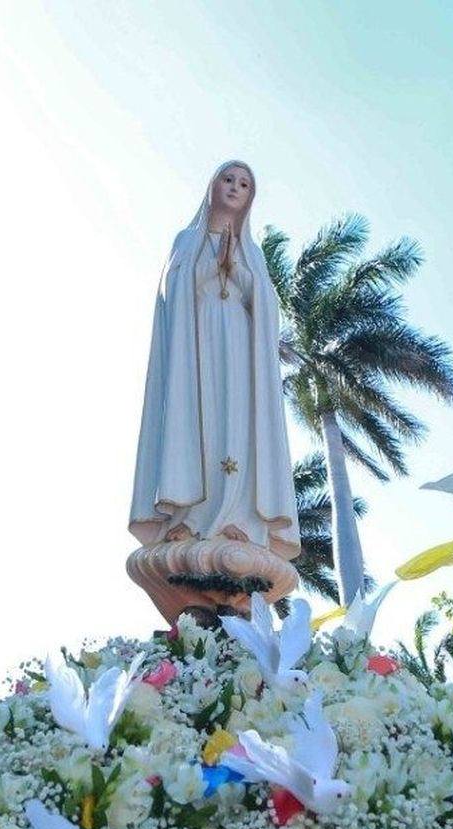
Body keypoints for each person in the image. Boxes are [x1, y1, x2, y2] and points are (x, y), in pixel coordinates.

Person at [129, 161, 299, 562]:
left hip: (238, 349)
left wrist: (236, 269)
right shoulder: (186, 240)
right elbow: (173, 289)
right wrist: (209, 267)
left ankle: (237, 518)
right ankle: (190, 516)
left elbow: (265, 309)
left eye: (244, 184)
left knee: (236, 426)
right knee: (196, 422)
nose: (235, 188)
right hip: (196, 349)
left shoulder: (252, 253)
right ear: (212, 186)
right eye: (228, 179)